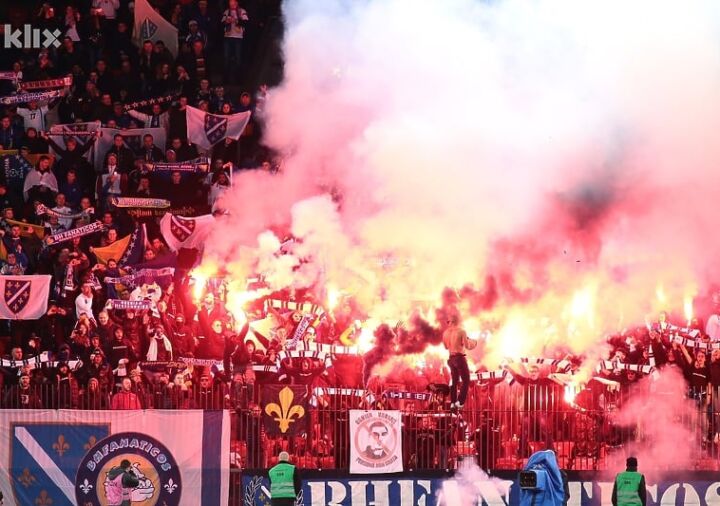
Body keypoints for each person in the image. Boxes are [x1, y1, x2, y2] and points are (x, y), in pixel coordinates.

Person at [442, 314, 476, 409]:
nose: (448, 324)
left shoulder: (445, 333)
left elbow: (446, 347)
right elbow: (467, 346)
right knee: (466, 380)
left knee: (454, 381)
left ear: (450, 322)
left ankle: (453, 402)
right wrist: (474, 343)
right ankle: (460, 402)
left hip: (451, 359)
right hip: (459, 358)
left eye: (448, 322)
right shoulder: (461, 331)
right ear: (457, 321)